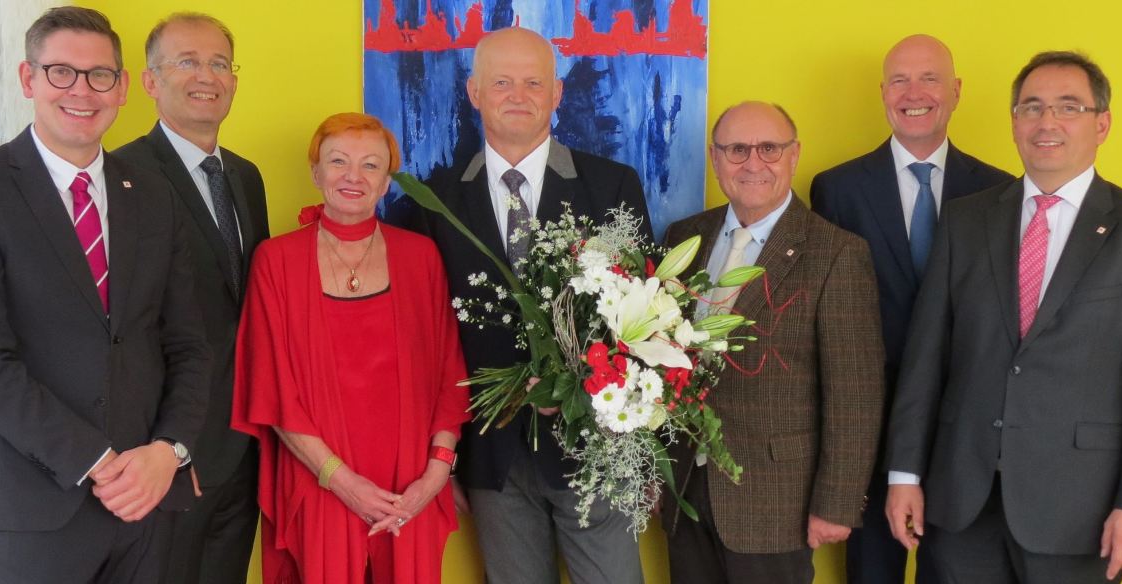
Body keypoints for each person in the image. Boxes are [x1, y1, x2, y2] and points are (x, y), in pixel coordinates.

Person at [0, 7, 210, 583]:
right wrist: (97, 462)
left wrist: (169, 450)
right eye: (61, 72)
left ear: (124, 87)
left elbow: (188, 344)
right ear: (29, 79)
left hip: (148, 502)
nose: (82, 90)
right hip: (33, 507)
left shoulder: (155, 196)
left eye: (100, 74)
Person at [885, 51, 1122, 583]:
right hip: (960, 505)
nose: (1047, 122)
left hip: (1081, 511)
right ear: (1014, 122)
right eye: (1031, 107)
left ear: (1102, 124)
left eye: (1067, 107)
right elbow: (926, 357)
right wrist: (904, 473)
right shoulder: (966, 219)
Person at [403, 27, 653, 584]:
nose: (518, 94)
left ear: (557, 93)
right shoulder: (433, 200)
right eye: (501, 82)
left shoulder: (612, 185)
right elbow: (421, 338)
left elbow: (642, 316)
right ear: (473, 92)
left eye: (534, 82)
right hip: (492, 457)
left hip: (594, 450)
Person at [808, 34, 1012, 584]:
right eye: (900, 79)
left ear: (957, 91)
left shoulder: (1002, 192)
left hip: (965, 429)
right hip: (865, 433)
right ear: (882, 92)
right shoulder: (835, 189)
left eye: (929, 79)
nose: (913, 92)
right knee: (872, 572)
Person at [232, 112, 469, 584]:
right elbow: (271, 391)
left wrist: (437, 474)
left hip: (411, 484)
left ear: (386, 183)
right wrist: (342, 481)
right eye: (338, 161)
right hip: (321, 478)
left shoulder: (420, 257)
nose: (353, 177)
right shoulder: (275, 261)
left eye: (370, 165)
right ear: (316, 173)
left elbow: (450, 372)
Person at [661, 101, 885, 584]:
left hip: (775, 501)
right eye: (737, 149)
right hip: (685, 489)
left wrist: (838, 504)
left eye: (769, 148)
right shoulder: (685, 238)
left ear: (794, 155)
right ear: (715, 159)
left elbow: (855, 396)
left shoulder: (837, 253)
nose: (753, 163)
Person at [113, 12, 269, 583]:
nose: (207, 75)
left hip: (243, 447)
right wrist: (168, 446)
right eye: (187, 61)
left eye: (220, 63)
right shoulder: (120, 174)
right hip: (168, 455)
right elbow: (123, 330)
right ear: (151, 81)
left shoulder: (246, 178)